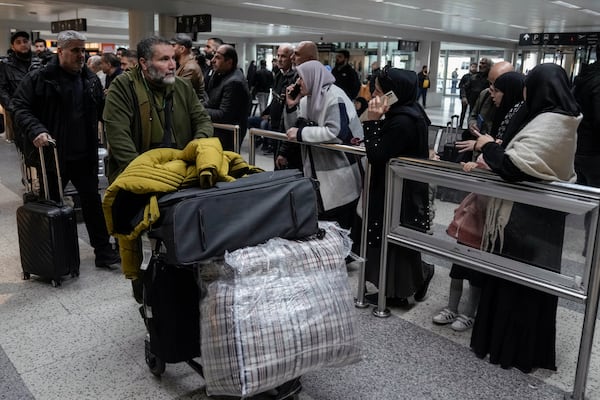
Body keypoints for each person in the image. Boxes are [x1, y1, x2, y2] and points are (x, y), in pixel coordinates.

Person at [469, 63, 581, 373]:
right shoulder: (557, 117)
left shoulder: (553, 122)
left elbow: (515, 167)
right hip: (537, 218)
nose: (525, 91)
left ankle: (514, 350)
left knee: (521, 286)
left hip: (529, 220)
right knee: (518, 284)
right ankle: (508, 346)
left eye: (529, 84)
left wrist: (488, 145)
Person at [103, 35, 213, 300]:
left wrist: (197, 149)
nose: (172, 64)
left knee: (183, 233)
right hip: (139, 174)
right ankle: (145, 291)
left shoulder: (183, 87)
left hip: (180, 173)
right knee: (138, 237)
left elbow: (203, 121)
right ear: (143, 63)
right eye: (164, 59)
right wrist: (146, 178)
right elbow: (119, 139)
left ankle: (179, 288)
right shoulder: (123, 88)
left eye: (173, 58)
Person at [10, 30, 120, 270]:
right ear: (60, 51)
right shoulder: (40, 78)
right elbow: (19, 107)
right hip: (53, 156)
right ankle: (53, 254)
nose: (81, 55)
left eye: (83, 50)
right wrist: (37, 130)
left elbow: (101, 109)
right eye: (75, 50)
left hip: (84, 154)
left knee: (92, 203)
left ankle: (103, 251)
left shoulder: (89, 78)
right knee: (52, 204)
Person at [432, 71, 525, 332]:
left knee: (476, 267)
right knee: (460, 262)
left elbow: (507, 159)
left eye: (496, 89)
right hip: (477, 204)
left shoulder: (518, 120)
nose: (490, 94)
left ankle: (469, 312)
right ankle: (453, 307)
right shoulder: (504, 115)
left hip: (493, 208)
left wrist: (484, 154)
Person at [360, 67, 434, 306]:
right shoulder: (410, 111)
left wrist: (371, 122)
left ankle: (401, 289)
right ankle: (411, 280)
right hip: (403, 190)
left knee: (393, 239)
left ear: (394, 93)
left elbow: (377, 154)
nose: (374, 96)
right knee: (396, 239)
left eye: (380, 92)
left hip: (398, 193)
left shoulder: (402, 121)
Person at [283, 60, 363, 230]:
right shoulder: (307, 100)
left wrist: (301, 133)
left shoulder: (335, 97)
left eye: (301, 78)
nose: (298, 82)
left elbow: (336, 133)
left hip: (340, 171)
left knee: (341, 223)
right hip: (316, 170)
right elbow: (293, 131)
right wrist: (291, 107)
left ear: (314, 77)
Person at [573, 43, 600, 254]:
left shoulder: (585, 76)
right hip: (595, 153)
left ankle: (590, 246)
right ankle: (593, 249)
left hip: (582, 148)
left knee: (593, 203)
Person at [203, 44, 251, 152]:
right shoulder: (220, 75)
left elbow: (224, 114)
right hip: (219, 132)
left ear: (229, 62)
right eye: (214, 56)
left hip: (227, 136)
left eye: (218, 57)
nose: (213, 60)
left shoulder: (234, 82)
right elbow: (212, 101)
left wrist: (198, 110)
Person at [0, 31, 41, 144]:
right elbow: (2, 90)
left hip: (40, 111)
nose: (23, 44)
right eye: (18, 42)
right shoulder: (6, 65)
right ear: (13, 46)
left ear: (30, 43)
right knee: (25, 147)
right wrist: (13, 108)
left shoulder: (38, 63)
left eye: (25, 41)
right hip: (20, 113)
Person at [172, 33, 205, 100]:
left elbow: (180, 93)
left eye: (173, 46)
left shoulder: (190, 68)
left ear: (182, 49)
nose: (170, 49)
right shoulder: (185, 64)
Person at [459, 62, 478, 127]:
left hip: (473, 98)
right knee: (463, 111)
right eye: (472, 66)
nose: (474, 68)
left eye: (475, 67)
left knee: (471, 113)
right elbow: (461, 86)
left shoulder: (478, 77)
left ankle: (469, 126)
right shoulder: (465, 76)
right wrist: (463, 96)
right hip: (465, 96)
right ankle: (460, 125)